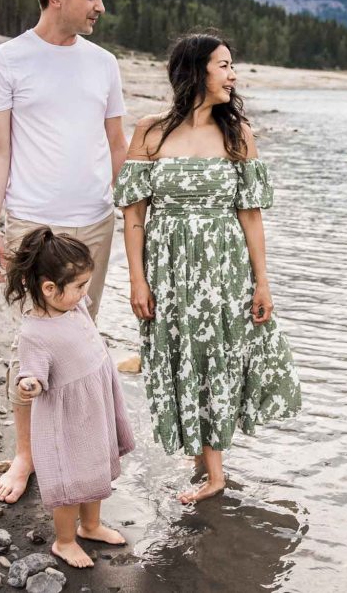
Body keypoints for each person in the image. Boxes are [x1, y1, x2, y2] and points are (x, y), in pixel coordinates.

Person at [114, 31, 301, 504]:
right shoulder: (150, 131)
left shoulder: (238, 134)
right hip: (168, 268)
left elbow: (251, 215)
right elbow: (134, 215)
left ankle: (214, 473)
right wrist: (137, 280)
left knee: (217, 353)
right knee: (180, 352)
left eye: (232, 66)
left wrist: (262, 282)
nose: (233, 75)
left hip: (224, 267)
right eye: (224, 65)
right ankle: (201, 456)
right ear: (196, 71)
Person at [0, 0, 127, 504]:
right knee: (34, 345)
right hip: (33, 227)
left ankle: (77, 450)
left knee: (80, 342)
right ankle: (26, 454)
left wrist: (131, 212)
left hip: (96, 225)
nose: (101, 7)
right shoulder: (7, 60)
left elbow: (117, 145)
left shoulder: (104, 63)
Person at [5, 227, 135, 567]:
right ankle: (64, 541)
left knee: (95, 469)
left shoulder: (73, 307)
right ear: (49, 288)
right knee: (71, 481)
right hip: (69, 420)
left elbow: (82, 322)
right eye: (79, 286)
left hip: (94, 407)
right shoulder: (35, 333)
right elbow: (31, 374)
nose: (84, 292)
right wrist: (30, 384)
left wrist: (77, 292)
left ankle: (90, 526)